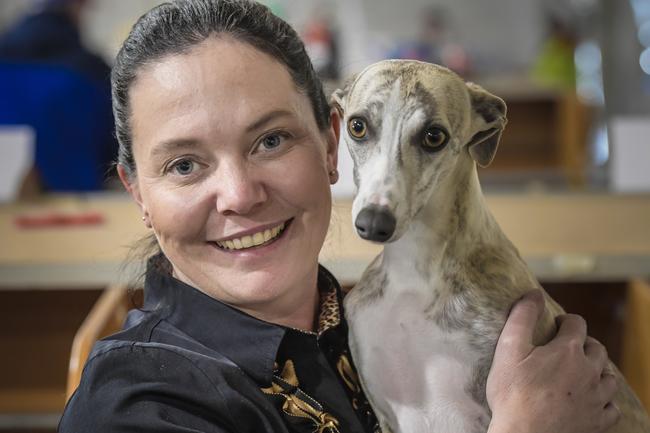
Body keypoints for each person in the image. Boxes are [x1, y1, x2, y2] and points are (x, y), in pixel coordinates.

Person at [58, 1, 620, 432]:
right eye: (184, 165)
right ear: (138, 194)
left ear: (330, 147)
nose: (239, 194)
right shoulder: (135, 407)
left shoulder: (351, 322)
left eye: (271, 139)